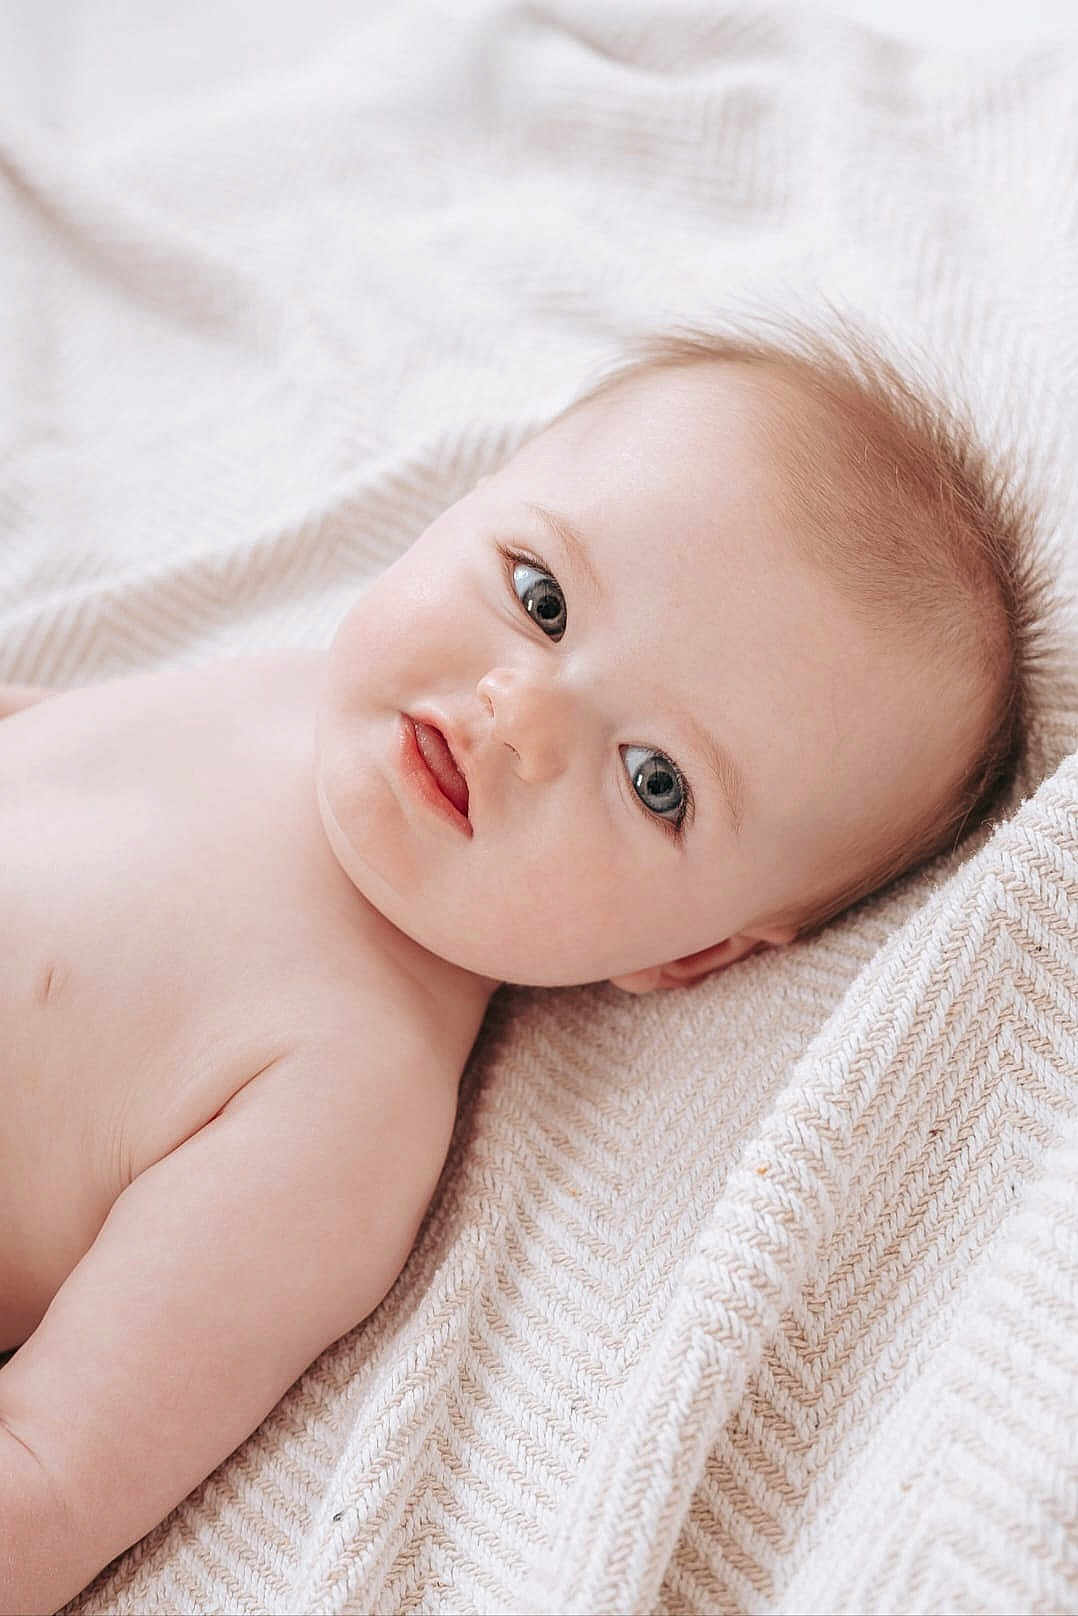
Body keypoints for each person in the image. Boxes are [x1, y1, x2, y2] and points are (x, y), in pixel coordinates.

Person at [0, 318, 1058, 1614]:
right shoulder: (267, 688)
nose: (521, 717)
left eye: (653, 778)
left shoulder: (347, 1098)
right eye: (540, 598)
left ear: (692, 956)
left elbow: (48, 1479)